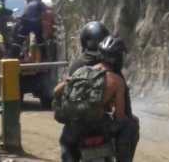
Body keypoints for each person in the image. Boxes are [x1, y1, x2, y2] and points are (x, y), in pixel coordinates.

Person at [55, 22, 139, 162]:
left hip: (76, 127)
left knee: (66, 141)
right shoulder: (116, 78)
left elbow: (57, 91)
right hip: (100, 126)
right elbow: (120, 115)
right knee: (130, 125)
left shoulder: (79, 68)